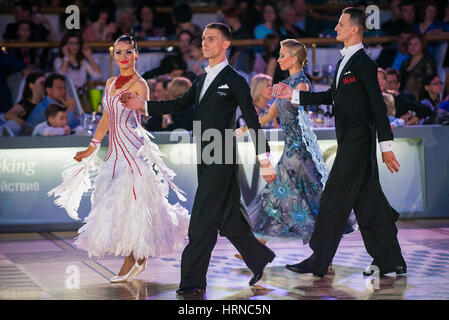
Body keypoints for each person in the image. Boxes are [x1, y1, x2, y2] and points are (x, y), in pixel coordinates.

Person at [120, 22, 277, 295]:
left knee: (202, 222)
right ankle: (259, 258)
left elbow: (253, 121)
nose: (205, 43)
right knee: (228, 220)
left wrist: (264, 159)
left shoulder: (235, 80)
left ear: (225, 44)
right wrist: (142, 106)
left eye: (211, 39)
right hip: (207, 156)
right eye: (203, 39)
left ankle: (192, 282)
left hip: (222, 155)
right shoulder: (202, 79)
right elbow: (178, 104)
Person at [272, 7, 407, 277]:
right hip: (349, 141)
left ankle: (319, 259)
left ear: (355, 29)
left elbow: (378, 107)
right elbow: (331, 96)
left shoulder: (364, 64)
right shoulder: (346, 61)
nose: (335, 28)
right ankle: (391, 260)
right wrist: (294, 95)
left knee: (333, 196)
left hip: (359, 142)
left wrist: (387, 147)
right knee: (370, 203)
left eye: (340, 24)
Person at [49, 34, 189, 283]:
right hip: (114, 153)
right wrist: (91, 147)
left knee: (133, 204)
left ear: (136, 55)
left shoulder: (140, 83)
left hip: (133, 150)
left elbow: (144, 113)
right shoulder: (110, 82)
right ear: (113, 56)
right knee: (114, 205)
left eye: (128, 52)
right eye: (118, 52)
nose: (123, 57)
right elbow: (105, 118)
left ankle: (133, 257)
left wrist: (136, 104)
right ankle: (138, 255)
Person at [54, 31, 101, 113]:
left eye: (77, 43)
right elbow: (61, 76)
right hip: (68, 97)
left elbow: (98, 75)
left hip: (83, 98)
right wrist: (66, 57)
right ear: (65, 45)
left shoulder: (82, 62)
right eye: (71, 43)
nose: (75, 46)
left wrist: (89, 56)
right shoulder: (59, 61)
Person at [399, 33, 437, 100]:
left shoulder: (428, 60)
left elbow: (430, 78)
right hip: (404, 94)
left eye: (416, 44)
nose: (412, 47)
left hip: (422, 95)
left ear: (422, 45)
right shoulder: (406, 62)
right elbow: (401, 79)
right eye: (410, 44)